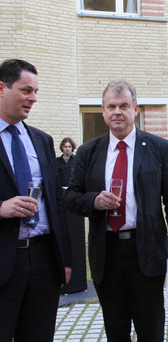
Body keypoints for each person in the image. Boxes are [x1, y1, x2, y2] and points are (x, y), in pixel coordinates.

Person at [65, 79, 168, 341]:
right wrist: (94, 201)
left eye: (124, 106)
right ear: (103, 111)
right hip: (106, 255)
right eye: (111, 106)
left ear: (136, 109)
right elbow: (71, 197)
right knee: (116, 330)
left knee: (150, 329)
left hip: (146, 253)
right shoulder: (88, 152)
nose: (117, 112)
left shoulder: (158, 148)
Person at [0, 59, 72, 341]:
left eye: (36, 91)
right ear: (2, 88)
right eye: (26, 90)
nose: (34, 98)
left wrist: (64, 259)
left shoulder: (42, 140)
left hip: (43, 260)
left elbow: (56, 202)